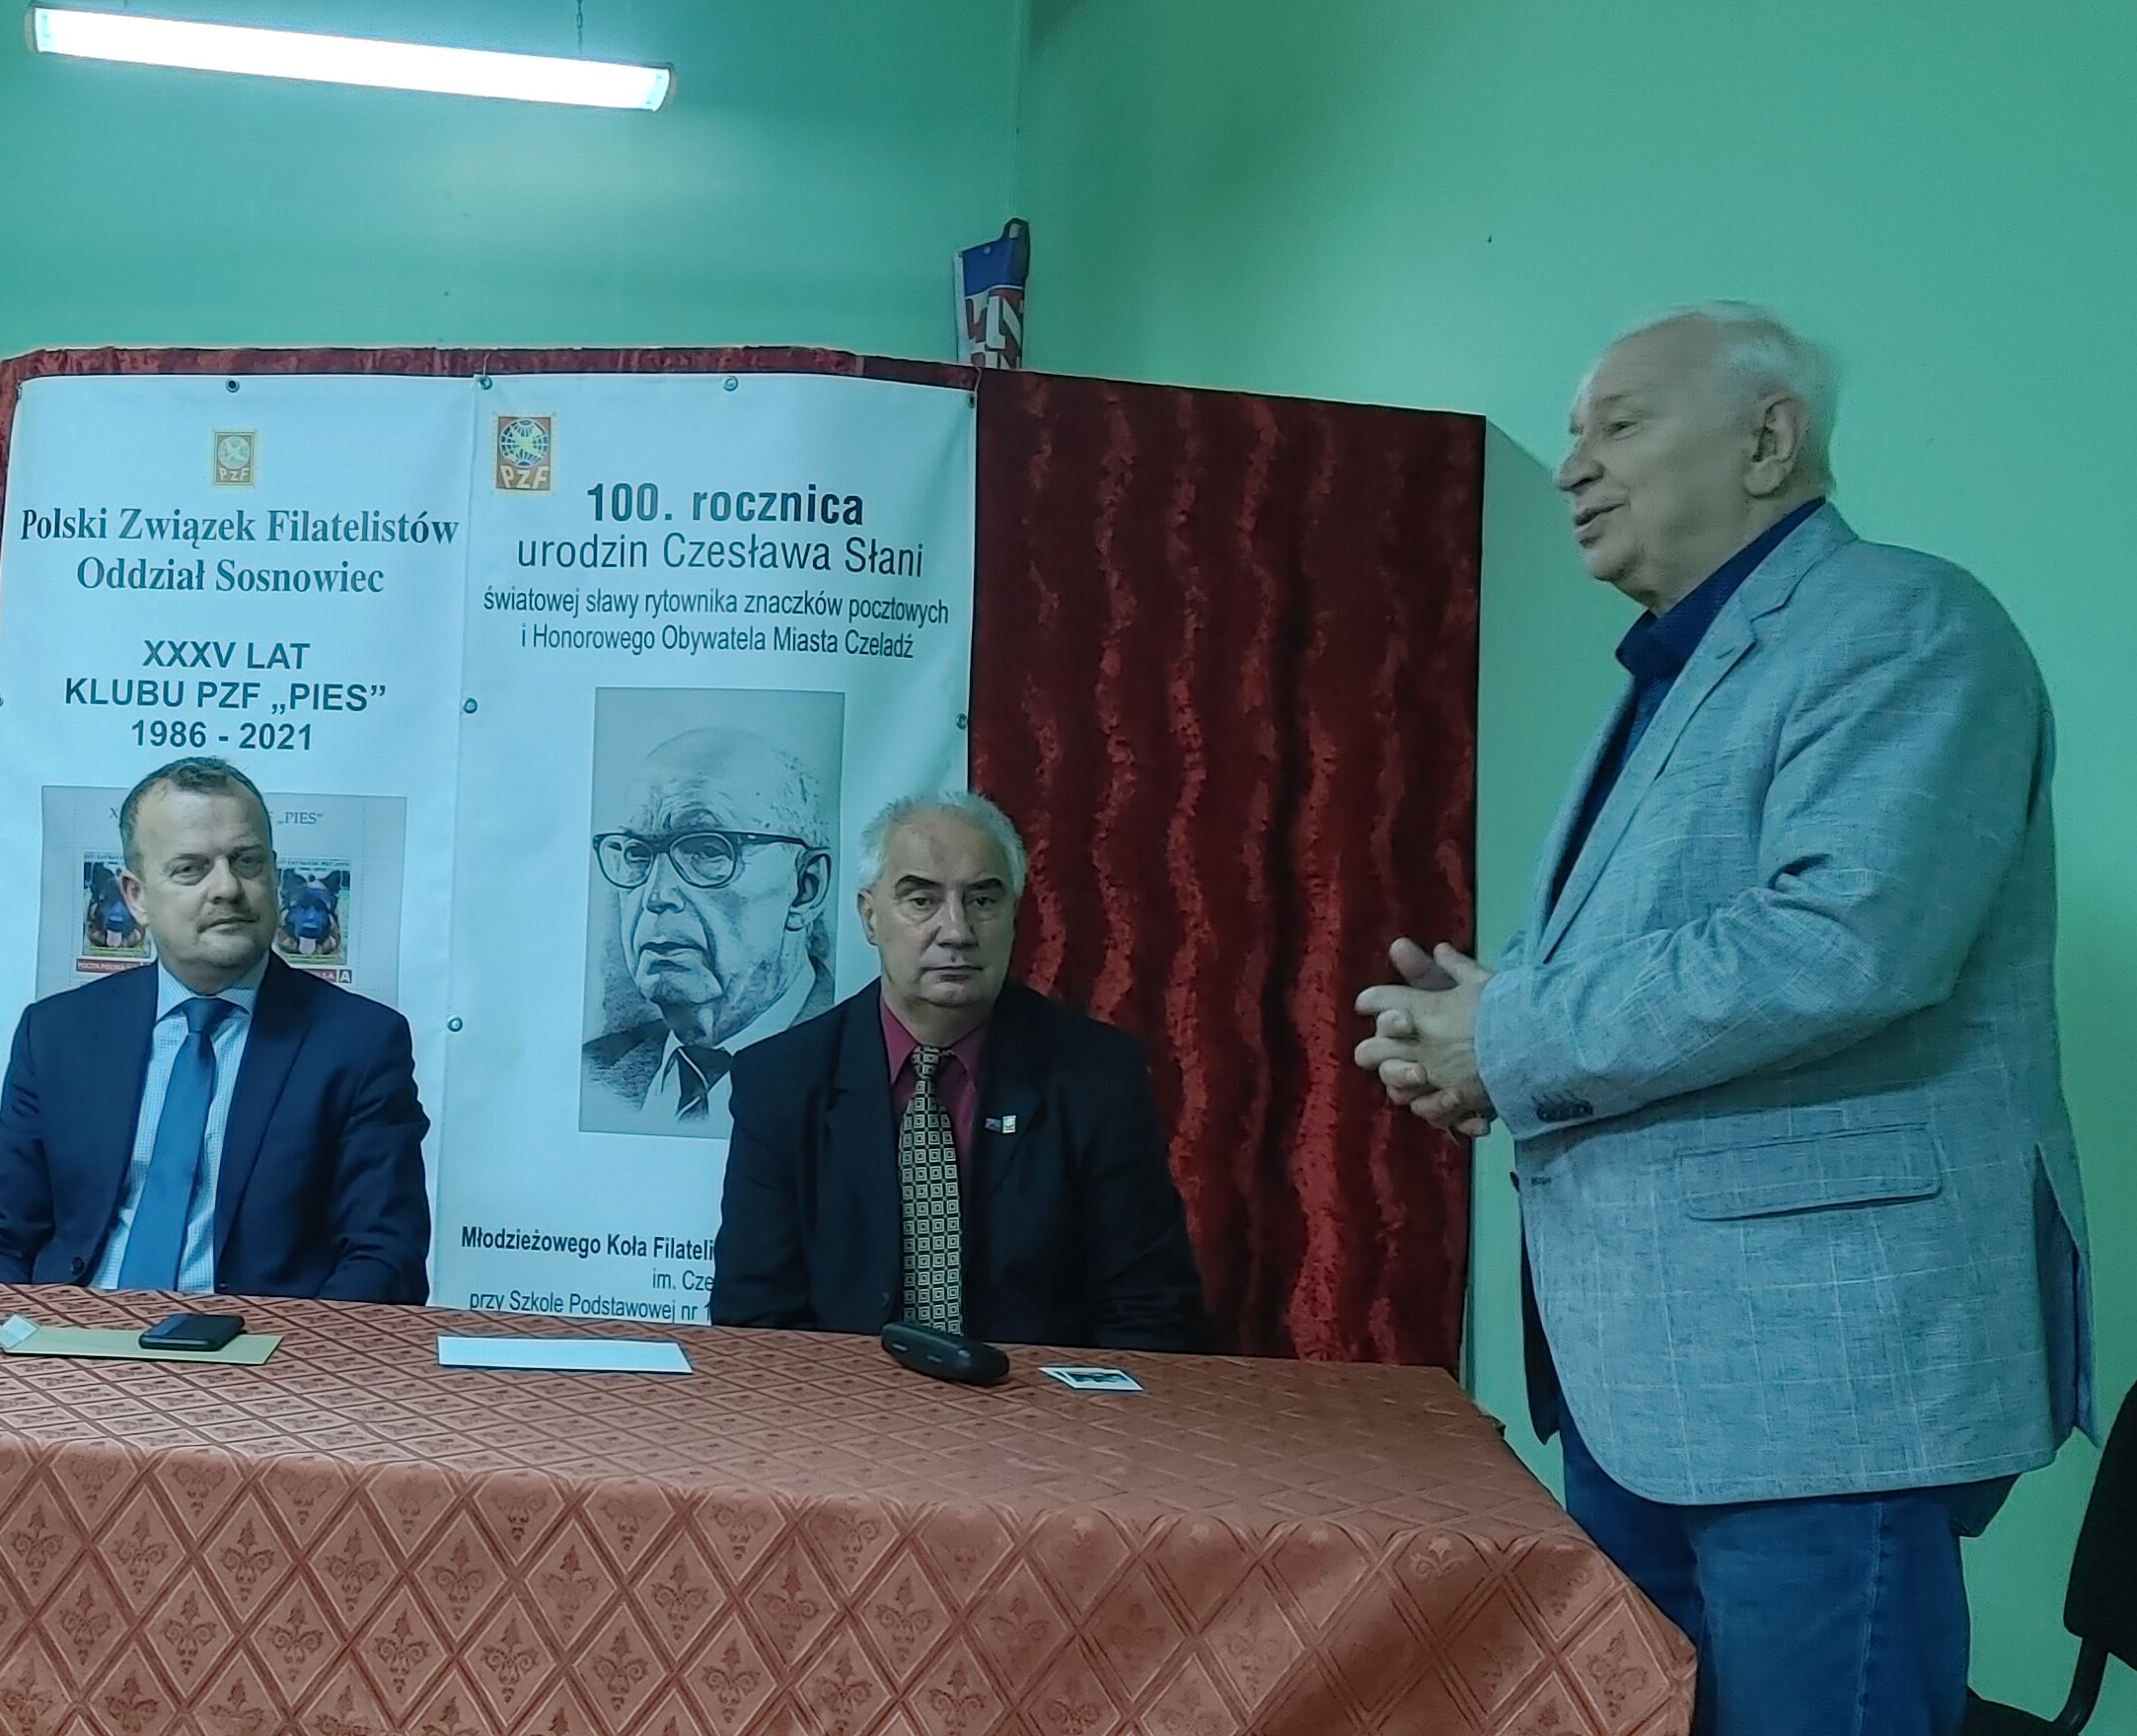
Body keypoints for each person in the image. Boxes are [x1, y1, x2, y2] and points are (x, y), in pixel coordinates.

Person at [1351, 304, 2092, 1736]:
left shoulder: (1904, 623)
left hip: (1816, 1387)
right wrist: (1476, 1039)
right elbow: (1660, 952)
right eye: (1571, 432)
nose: (1572, 464)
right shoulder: (1676, 668)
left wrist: (1507, 1035)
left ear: (1768, 440)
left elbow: (1845, 939)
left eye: (1617, 423)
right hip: (1647, 1379)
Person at [711, 790, 1213, 1351]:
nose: (957, 930)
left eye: (982, 900)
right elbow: (754, 1320)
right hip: (845, 1400)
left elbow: (1152, 1312)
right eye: (921, 899)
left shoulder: (1096, 1077)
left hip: (1037, 1400)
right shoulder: (780, 1082)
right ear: (870, 917)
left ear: (1015, 914)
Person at [0, 757, 429, 1300]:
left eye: (247, 862)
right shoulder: (58, 1034)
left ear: (275, 875)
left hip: (261, 1341)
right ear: (136, 896)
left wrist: (288, 1349)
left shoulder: (360, 1044)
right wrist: (26, 1339)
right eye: (191, 868)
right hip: (72, 1331)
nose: (227, 888)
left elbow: (385, 1257)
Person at [581, 727, 839, 1136]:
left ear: (805, 889)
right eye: (636, 854)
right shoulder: (596, 1073)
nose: (657, 896)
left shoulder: (861, 1069)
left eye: (707, 850)